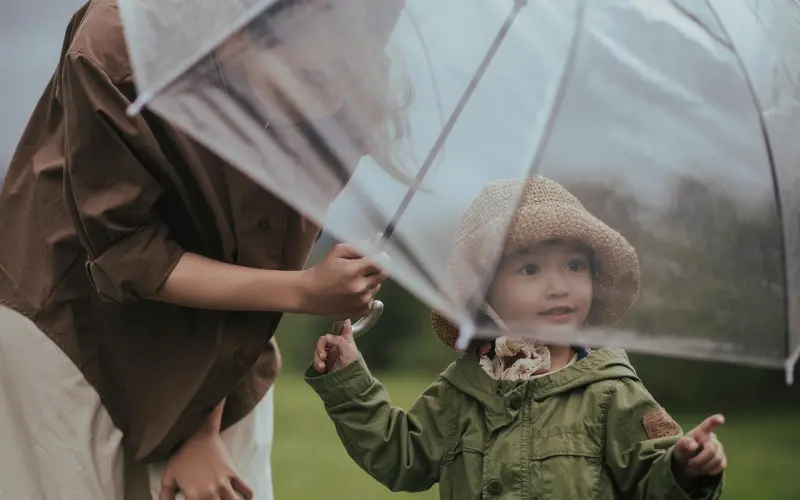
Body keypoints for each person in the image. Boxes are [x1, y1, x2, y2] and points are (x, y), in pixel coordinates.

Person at [0, 0, 405, 499]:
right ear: (238, 33)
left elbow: (263, 253)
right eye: (311, 80)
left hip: (229, 332)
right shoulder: (118, 46)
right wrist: (305, 292)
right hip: (73, 319)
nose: (327, 103)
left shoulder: (349, 92)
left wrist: (204, 424)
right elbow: (127, 251)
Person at [307, 176, 727, 499]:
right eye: (530, 269)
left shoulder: (611, 391)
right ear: (484, 292)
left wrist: (685, 469)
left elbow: (651, 481)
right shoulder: (464, 389)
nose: (558, 287)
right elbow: (401, 456)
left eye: (574, 266)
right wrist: (349, 381)